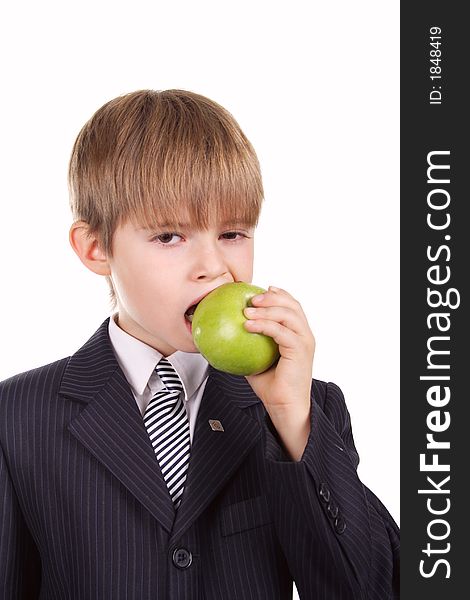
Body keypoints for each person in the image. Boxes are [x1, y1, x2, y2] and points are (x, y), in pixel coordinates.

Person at [0, 89, 399, 599]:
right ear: (96, 248)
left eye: (233, 233)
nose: (215, 267)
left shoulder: (305, 409)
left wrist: (291, 418)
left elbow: (377, 588)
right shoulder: (18, 416)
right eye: (170, 237)